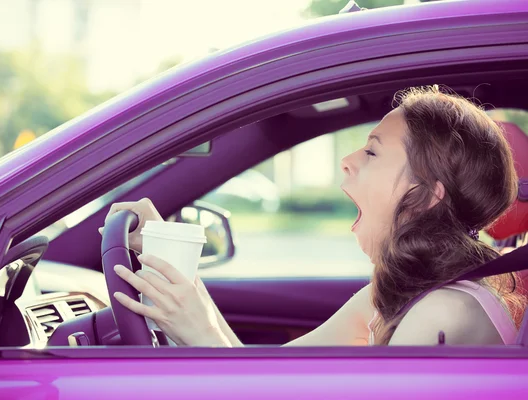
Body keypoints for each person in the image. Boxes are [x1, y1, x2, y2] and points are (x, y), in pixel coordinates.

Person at [102, 86, 526, 347]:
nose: (347, 160)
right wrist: (179, 267)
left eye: (373, 150)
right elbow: (273, 378)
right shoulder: (395, 296)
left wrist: (197, 331)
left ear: (425, 193)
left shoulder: (444, 313)